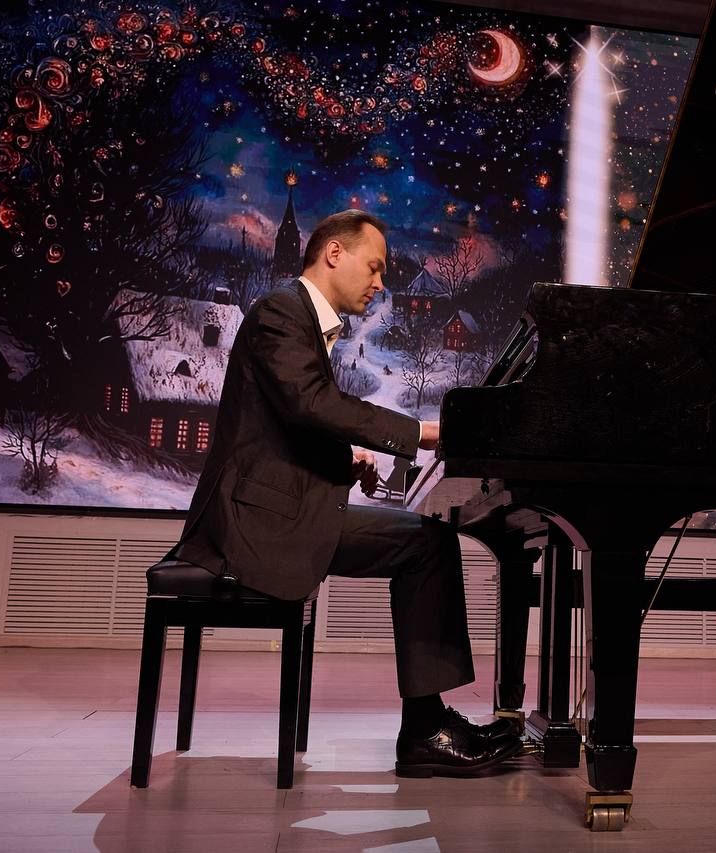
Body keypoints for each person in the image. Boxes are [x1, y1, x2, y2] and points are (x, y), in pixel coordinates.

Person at [174, 209, 520, 777]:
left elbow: (290, 422)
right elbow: (310, 403)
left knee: (426, 540)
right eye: (375, 267)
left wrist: (345, 459)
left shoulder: (298, 317)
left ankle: (427, 724)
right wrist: (419, 432)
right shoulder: (281, 311)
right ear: (334, 253)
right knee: (427, 544)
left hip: (274, 509)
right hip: (255, 523)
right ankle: (425, 730)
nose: (381, 282)